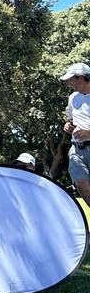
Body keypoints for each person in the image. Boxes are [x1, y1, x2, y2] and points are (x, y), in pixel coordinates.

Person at [60, 62, 90, 203]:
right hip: (77, 149)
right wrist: (68, 125)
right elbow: (70, 119)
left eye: (71, 79)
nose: (69, 83)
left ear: (81, 78)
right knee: (80, 183)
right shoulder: (73, 97)